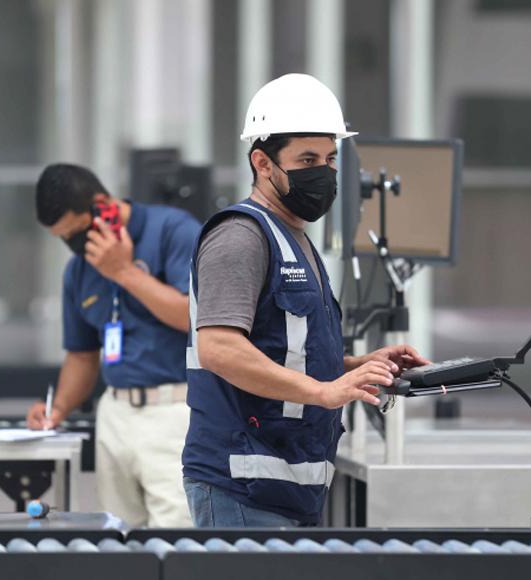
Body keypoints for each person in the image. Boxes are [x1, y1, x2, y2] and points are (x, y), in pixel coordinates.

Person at [181, 74, 430, 527]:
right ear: (263, 162)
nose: (324, 173)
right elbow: (218, 347)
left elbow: (287, 350)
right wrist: (324, 392)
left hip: (289, 485)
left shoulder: (293, 238)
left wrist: (357, 366)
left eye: (331, 159)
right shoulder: (241, 237)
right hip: (244, 488)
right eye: (308, 159)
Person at [27, 163, 200, 527]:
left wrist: (123, 272)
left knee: (177, 534)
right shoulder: (78, 270)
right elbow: (81, 353)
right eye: (63, 238)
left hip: (175, 408)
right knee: (118, 538)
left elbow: (197, 318)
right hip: (115, 413)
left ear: (103, 206)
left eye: (76, 233)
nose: (75, 246)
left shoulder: (173, 231)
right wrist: (57, 409)